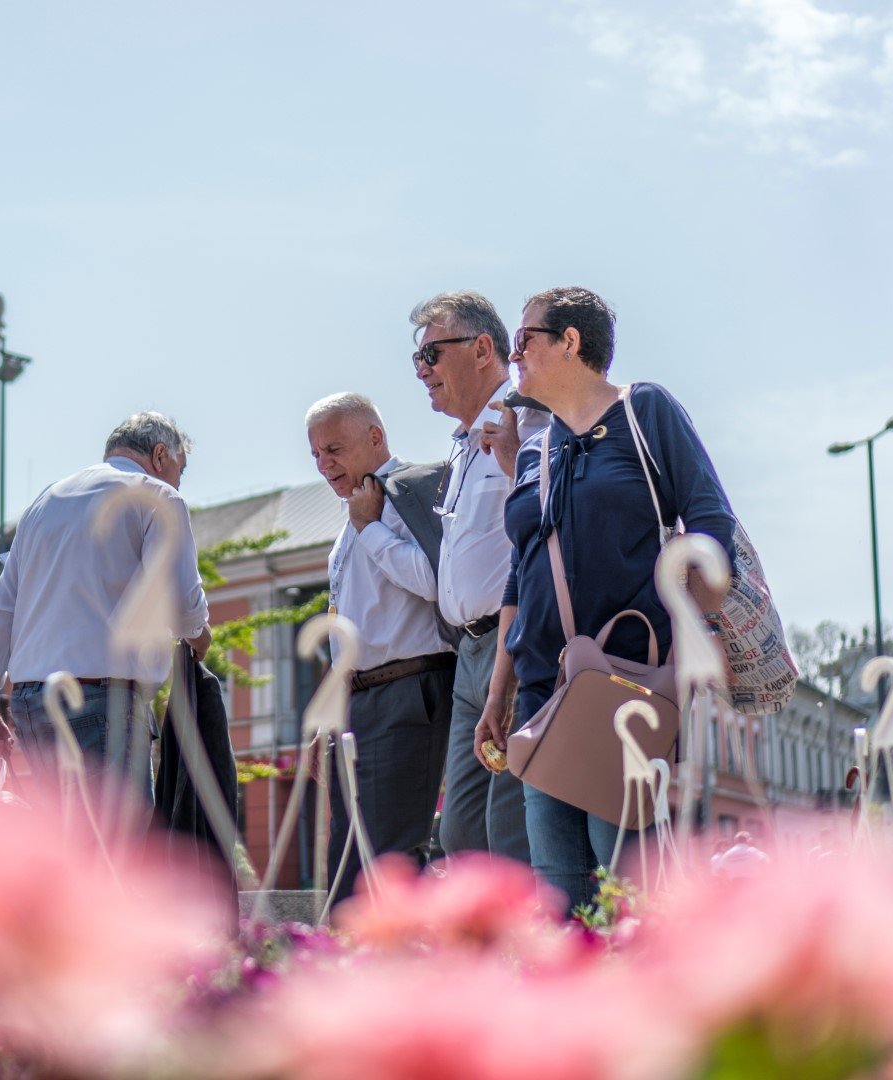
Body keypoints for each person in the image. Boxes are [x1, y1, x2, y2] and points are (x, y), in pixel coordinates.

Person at [474, 287, 733, 911]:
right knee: (559, 900)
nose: (513, 356)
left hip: (626, 691)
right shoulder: (536, 447)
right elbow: (525, 568)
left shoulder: (645, 411)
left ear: (571, 341)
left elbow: (709, 529)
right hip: (542, 697)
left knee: (626, 894)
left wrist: (677, 651)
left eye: (525, 339)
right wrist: (498, 692)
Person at [0, 413, 212, 798]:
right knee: (118, 850)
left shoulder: (45, 501)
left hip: (30, 702)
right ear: (160, 455)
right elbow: (182, 604)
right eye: (181, 470)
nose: (179, 482)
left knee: (69, 850)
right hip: (102, 700)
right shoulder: (159, 497)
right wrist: (199, 635)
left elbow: (1, 609)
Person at [408, 291, 542, 864]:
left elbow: (539, 536)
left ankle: (531, 950)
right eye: (417, 361)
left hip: (512, 645)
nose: (422, 372)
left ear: (483, 348)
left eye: (432, 354)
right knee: (462, 834)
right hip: (469, 653)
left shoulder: (525, 420)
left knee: (504, 833)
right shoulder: (463, 445)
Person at [306, 392, 456, 901]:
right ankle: (341, 966)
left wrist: (370, 528)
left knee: (387, 858)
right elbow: (346, 621)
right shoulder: (351, 516)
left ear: (375, 438)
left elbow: (434, 581)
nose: (325, 466)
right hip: (361, 701)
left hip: (409, 690)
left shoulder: (415, 491)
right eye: (316, 456)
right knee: (348, 856)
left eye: (334, 449)